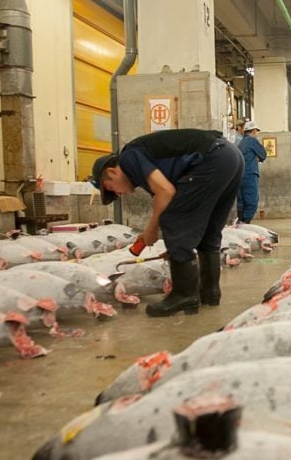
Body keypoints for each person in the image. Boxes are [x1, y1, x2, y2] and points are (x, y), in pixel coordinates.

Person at [90, 128, 244, 317]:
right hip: (231, 156)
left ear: (112, 172)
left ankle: (184, 295)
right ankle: (210, 293)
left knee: (173, 218)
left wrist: (151, 231)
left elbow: (166, 192)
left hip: (213, 158)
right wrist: (176, 248)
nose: (117, 194)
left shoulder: (129, 158)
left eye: (110, 188)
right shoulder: (139, 163)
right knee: (209, 230)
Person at [236, 121, 267, 223]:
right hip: (249, 175)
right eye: (256, 132)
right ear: (253, 131)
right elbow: (263, 154)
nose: (257, 134)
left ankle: (240, 222)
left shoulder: (241, 142)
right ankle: (245, 223)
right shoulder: (252, 141)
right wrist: (258, 157)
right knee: (252, 202)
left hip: (239, 176)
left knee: (241, 202)